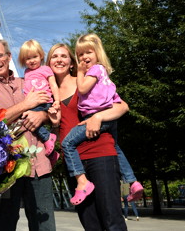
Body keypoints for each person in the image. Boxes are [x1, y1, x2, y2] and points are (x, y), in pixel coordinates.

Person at [0, 38, 56, 231]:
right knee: (2, 224)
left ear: (9, 56)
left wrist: (42, 115)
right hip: (3, 171)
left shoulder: (27, 81)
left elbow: (51, 110)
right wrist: (26, 105)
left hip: (39, 166)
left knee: (44, 225)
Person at [47, 43, 128, 230]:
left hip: (100, 153)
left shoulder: (85, 82)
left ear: (72, 62)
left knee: (111, 220)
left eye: (64, 56)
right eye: (54, 56)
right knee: (90, 223)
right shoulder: (49, 94)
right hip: (74, 164)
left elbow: (122, 106)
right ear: (48, 63)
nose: (59, 60)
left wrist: (98, 117)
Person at [61, 34, 143, 205]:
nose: (84, 57)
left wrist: (81, 72)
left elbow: (82, 89)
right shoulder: (103, 74)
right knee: (116, 147)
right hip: (108, 116)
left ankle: (82, 182)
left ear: (97, 52)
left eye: (88, 52)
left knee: (67, 143)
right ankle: (133, 182)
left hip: (98, 116)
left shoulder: (95, 70)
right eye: (80, 54)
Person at [18, 39, 60, 162]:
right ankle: (52, 155)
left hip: (44, 102)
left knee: (28, 120)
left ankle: (48, 138)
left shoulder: (46, 69)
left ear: (41, 56)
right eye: (28, 58)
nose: (32, 61)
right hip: (33, 104)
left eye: (34, 57)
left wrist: (57, 100)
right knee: (32, 128)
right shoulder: (26, 72)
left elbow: (53, 85)